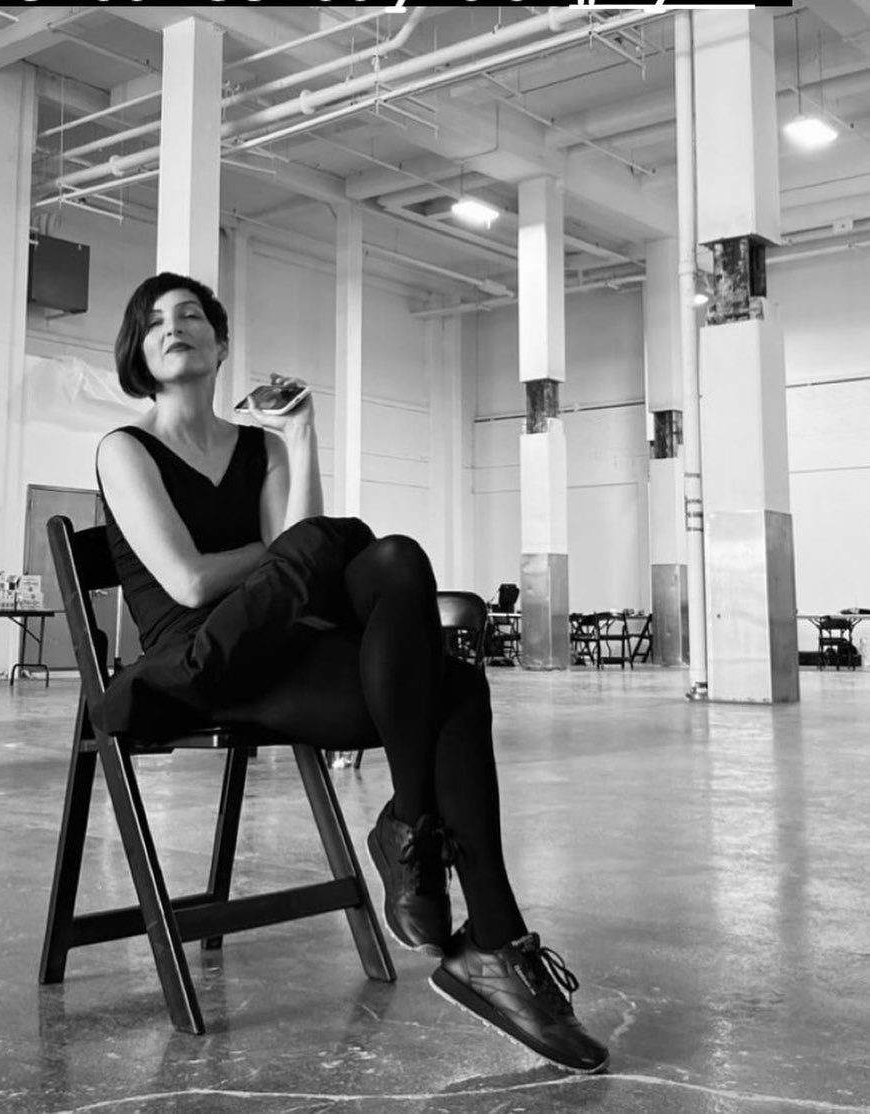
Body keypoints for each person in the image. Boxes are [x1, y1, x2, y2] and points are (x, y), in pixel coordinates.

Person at [94, 271, 609, 1074]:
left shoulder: (260, 445)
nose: (175, 327)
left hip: (281, 647)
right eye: (155, 320)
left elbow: (307, 572)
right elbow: (193, 582)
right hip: (200, 659)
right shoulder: (124, 449)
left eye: (192, 315)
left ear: (220, 343)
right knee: (339, 543)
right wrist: (303, 547)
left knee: (433, 635)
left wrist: (300, 438)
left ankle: (484, 930)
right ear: (138, 348)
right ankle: (422, 853)